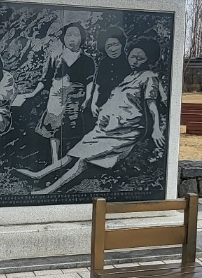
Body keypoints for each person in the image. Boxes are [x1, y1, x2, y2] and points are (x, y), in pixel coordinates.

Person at [14, 38, 165, 195]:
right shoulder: (129, 77)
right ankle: (39, 175)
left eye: (141, 58)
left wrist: (156, 129)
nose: (135, 60)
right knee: (72, 154)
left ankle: (49, 190)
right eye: (133, 56)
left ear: (149, 60)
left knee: (83, 161)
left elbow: (151, 104)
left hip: (125, 132)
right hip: (106, 129)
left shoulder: (149, 77)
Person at [26, 22, 95, 162]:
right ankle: (55, 162)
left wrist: (88, 99)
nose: (72, 38)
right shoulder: (55, 57)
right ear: (63, 38)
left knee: (73, 130)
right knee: (54, 132)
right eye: (69, 35)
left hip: (75, 100)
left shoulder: (87, 60)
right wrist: (33, 93)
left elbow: (90, 82)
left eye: (76, 35)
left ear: (82, 38)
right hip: (56, 99)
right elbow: (45, 79)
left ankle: (71, 162)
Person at [86, 26, 130, 116]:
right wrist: (93, 104)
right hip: (103, 103)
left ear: (122, 44)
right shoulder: (103, 62)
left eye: (116, 44)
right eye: (109, 46)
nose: (113, 49)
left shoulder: (128, 61)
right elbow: (97, 85)